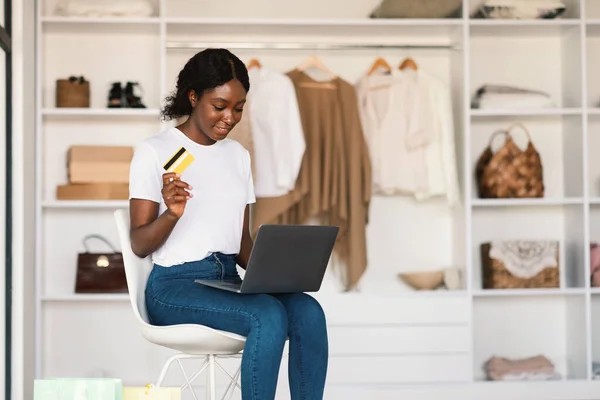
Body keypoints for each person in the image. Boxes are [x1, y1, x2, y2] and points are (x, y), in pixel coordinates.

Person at [127, 48, 329, 400]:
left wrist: (282, 275)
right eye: (219, 106)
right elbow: (140, 244)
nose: (230, 117)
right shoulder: (155, 151)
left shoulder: (238, 155)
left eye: (238, 108)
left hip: (228, 281)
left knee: (308, 311)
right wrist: (172, 213)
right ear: (193, 97)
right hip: (174, 286)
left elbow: (242, 242)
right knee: (266, 315)